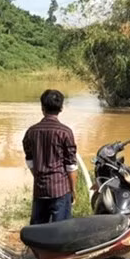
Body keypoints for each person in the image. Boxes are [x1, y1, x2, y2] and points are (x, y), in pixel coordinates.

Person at [23, 89, 78, 224]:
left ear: (42, 108)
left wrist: (39, 177)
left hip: (40, 189)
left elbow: (29, 161)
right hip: (60, 189)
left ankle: (36, 246)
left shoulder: (31, 131)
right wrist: (73, 190)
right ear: (61, 108)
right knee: (61, 230)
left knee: (38, 231)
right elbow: (71, 166)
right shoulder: (65, 132)